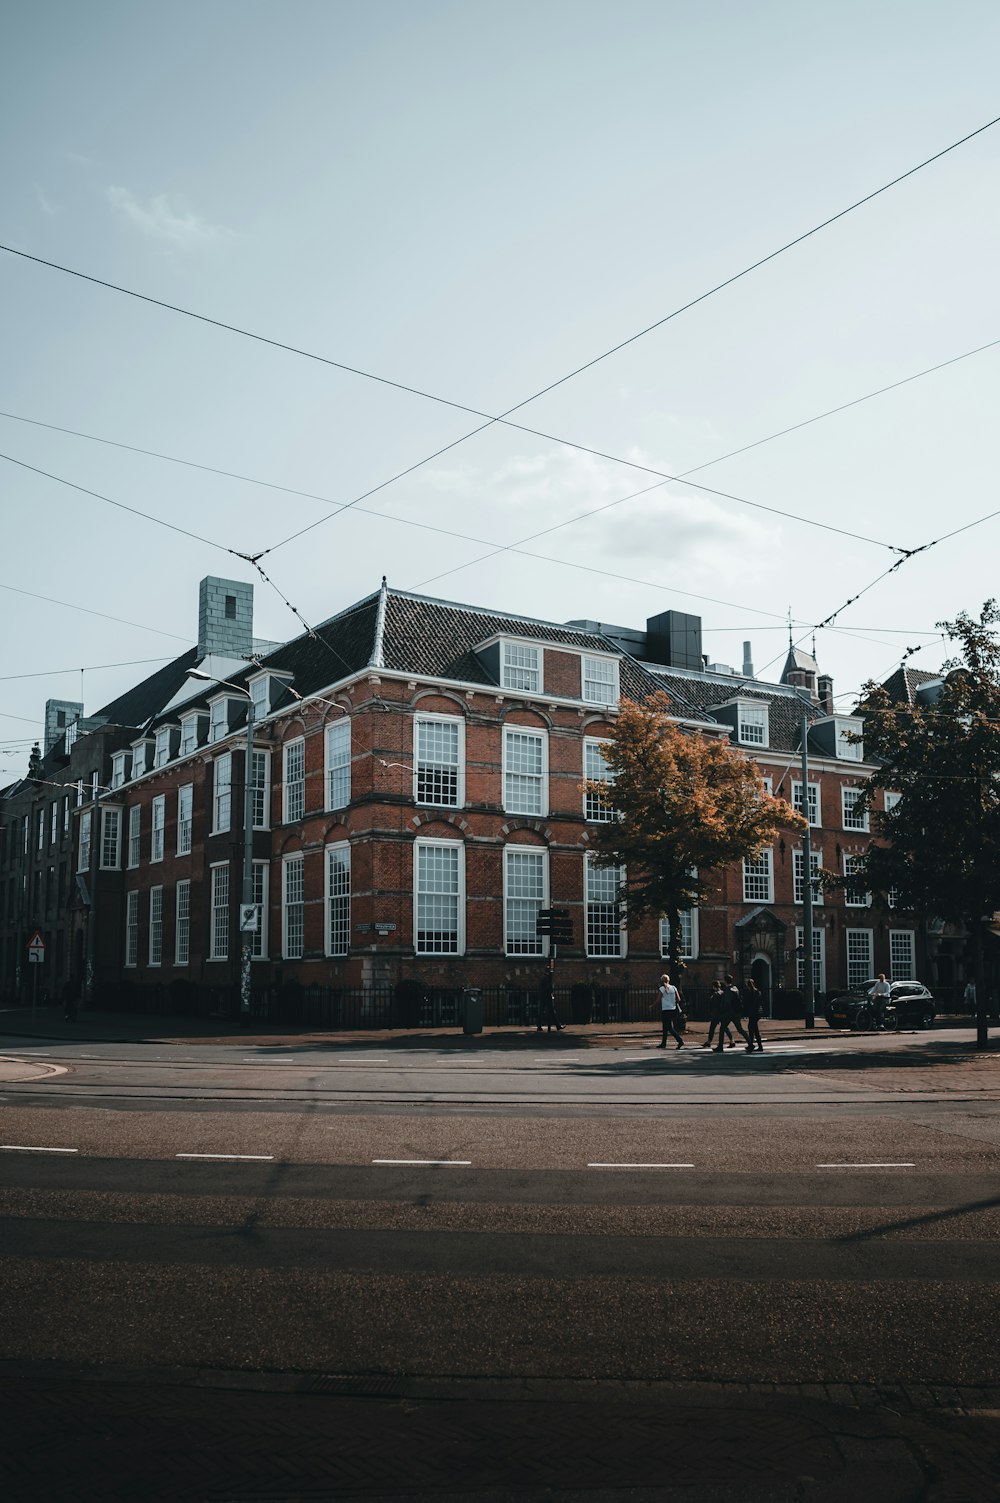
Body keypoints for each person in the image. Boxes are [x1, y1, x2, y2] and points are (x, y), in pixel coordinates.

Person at [714, 975, 750, 1052]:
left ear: (725, 981)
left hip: (729, 1013)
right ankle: (750, 1043)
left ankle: (720, 1046)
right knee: (740, 1029)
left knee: (722, 1028)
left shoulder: (728, 990)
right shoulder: (735, 989)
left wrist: (722, 1010)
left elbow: (727, 1003)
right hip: (736, 1012)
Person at [653, 972, 685, 1049]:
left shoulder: (662, 989)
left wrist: (652, 1005)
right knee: (665, 1027)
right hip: (673, 1009)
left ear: (662, 980)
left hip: (666, 1010)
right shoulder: (673, 988)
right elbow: (678, 999)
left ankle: (680, 1041)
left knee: (669, 1027)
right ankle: (663, 1043)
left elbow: (658, 1000)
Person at [703, 980, 735, 1050]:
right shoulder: (723, 993)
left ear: (714, 986)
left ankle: (709, 1041)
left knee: (712, 1028)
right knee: (725, 1028)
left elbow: (713, 1005)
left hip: (716, 1013)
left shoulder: (715, 994)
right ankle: (732, 1040)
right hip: (722, 1013)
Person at [743, 977, 764, 1053]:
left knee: (753, 1029)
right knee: (752, 1028)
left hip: (752, 1013)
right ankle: (753, 1045)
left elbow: (748, 1003)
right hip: (757, 1013)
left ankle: (753, 1045)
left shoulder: (750, 992)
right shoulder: (757, 991)